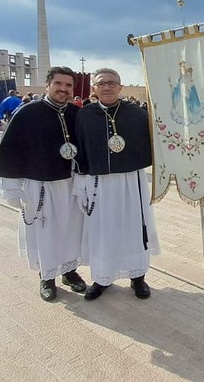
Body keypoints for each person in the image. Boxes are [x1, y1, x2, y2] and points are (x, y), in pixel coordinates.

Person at [0, 66, 88, 301]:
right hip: (41, 184)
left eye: (68, 85)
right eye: (58, 84)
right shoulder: (27, 113)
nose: (63, 89)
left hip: (71, 183)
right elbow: (11, 151)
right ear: (48, 85)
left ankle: (69, 271)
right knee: (46, 232)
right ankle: (47, 276)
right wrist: (12, 187)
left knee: (72, 230)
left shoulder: (76, 114)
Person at [74, 68, 160, 301]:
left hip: (131, 180)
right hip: (99, 182)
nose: (107, 87)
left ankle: (138, 277)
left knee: (134, 228)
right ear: (94, 88)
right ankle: (102, 277)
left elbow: (156, 142)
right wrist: (80, 181)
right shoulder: (85, 115)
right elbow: (80, 149)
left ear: (120, 87)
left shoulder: (137, 114)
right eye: (102, 83)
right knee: (102, 231)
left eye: (112, 83)